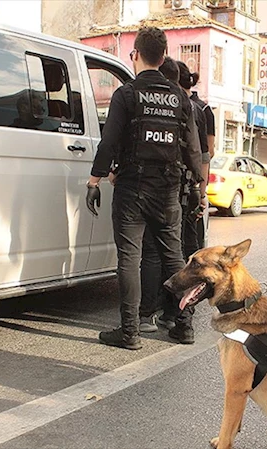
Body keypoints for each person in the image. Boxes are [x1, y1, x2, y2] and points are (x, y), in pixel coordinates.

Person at [85, 27, 203, 350]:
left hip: (132, 189)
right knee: (173, 256)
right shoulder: (180, 97)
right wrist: (198, 187)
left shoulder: (126, 94)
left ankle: (130, 331)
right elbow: (193, 149)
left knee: (129, 258)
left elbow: (109, 142)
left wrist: (95, 180)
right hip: (168, 191)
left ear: (135, 54)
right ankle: (184, 325)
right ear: (164, 57)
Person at [138, 57, 203, 342]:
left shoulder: (156, 103)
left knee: (153, 253)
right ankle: (180, 317)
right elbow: (198, 152)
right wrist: (200, 189)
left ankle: (148, 315)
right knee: (176, 254)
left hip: (164, 188)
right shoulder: (192, 107)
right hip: (183, 190)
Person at [186, 67, 216, 250]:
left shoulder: (203, 109)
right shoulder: (201, 107)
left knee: (193, 235)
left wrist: (201, 191)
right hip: (196, 183)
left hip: (194, 182)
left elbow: (208, 152)